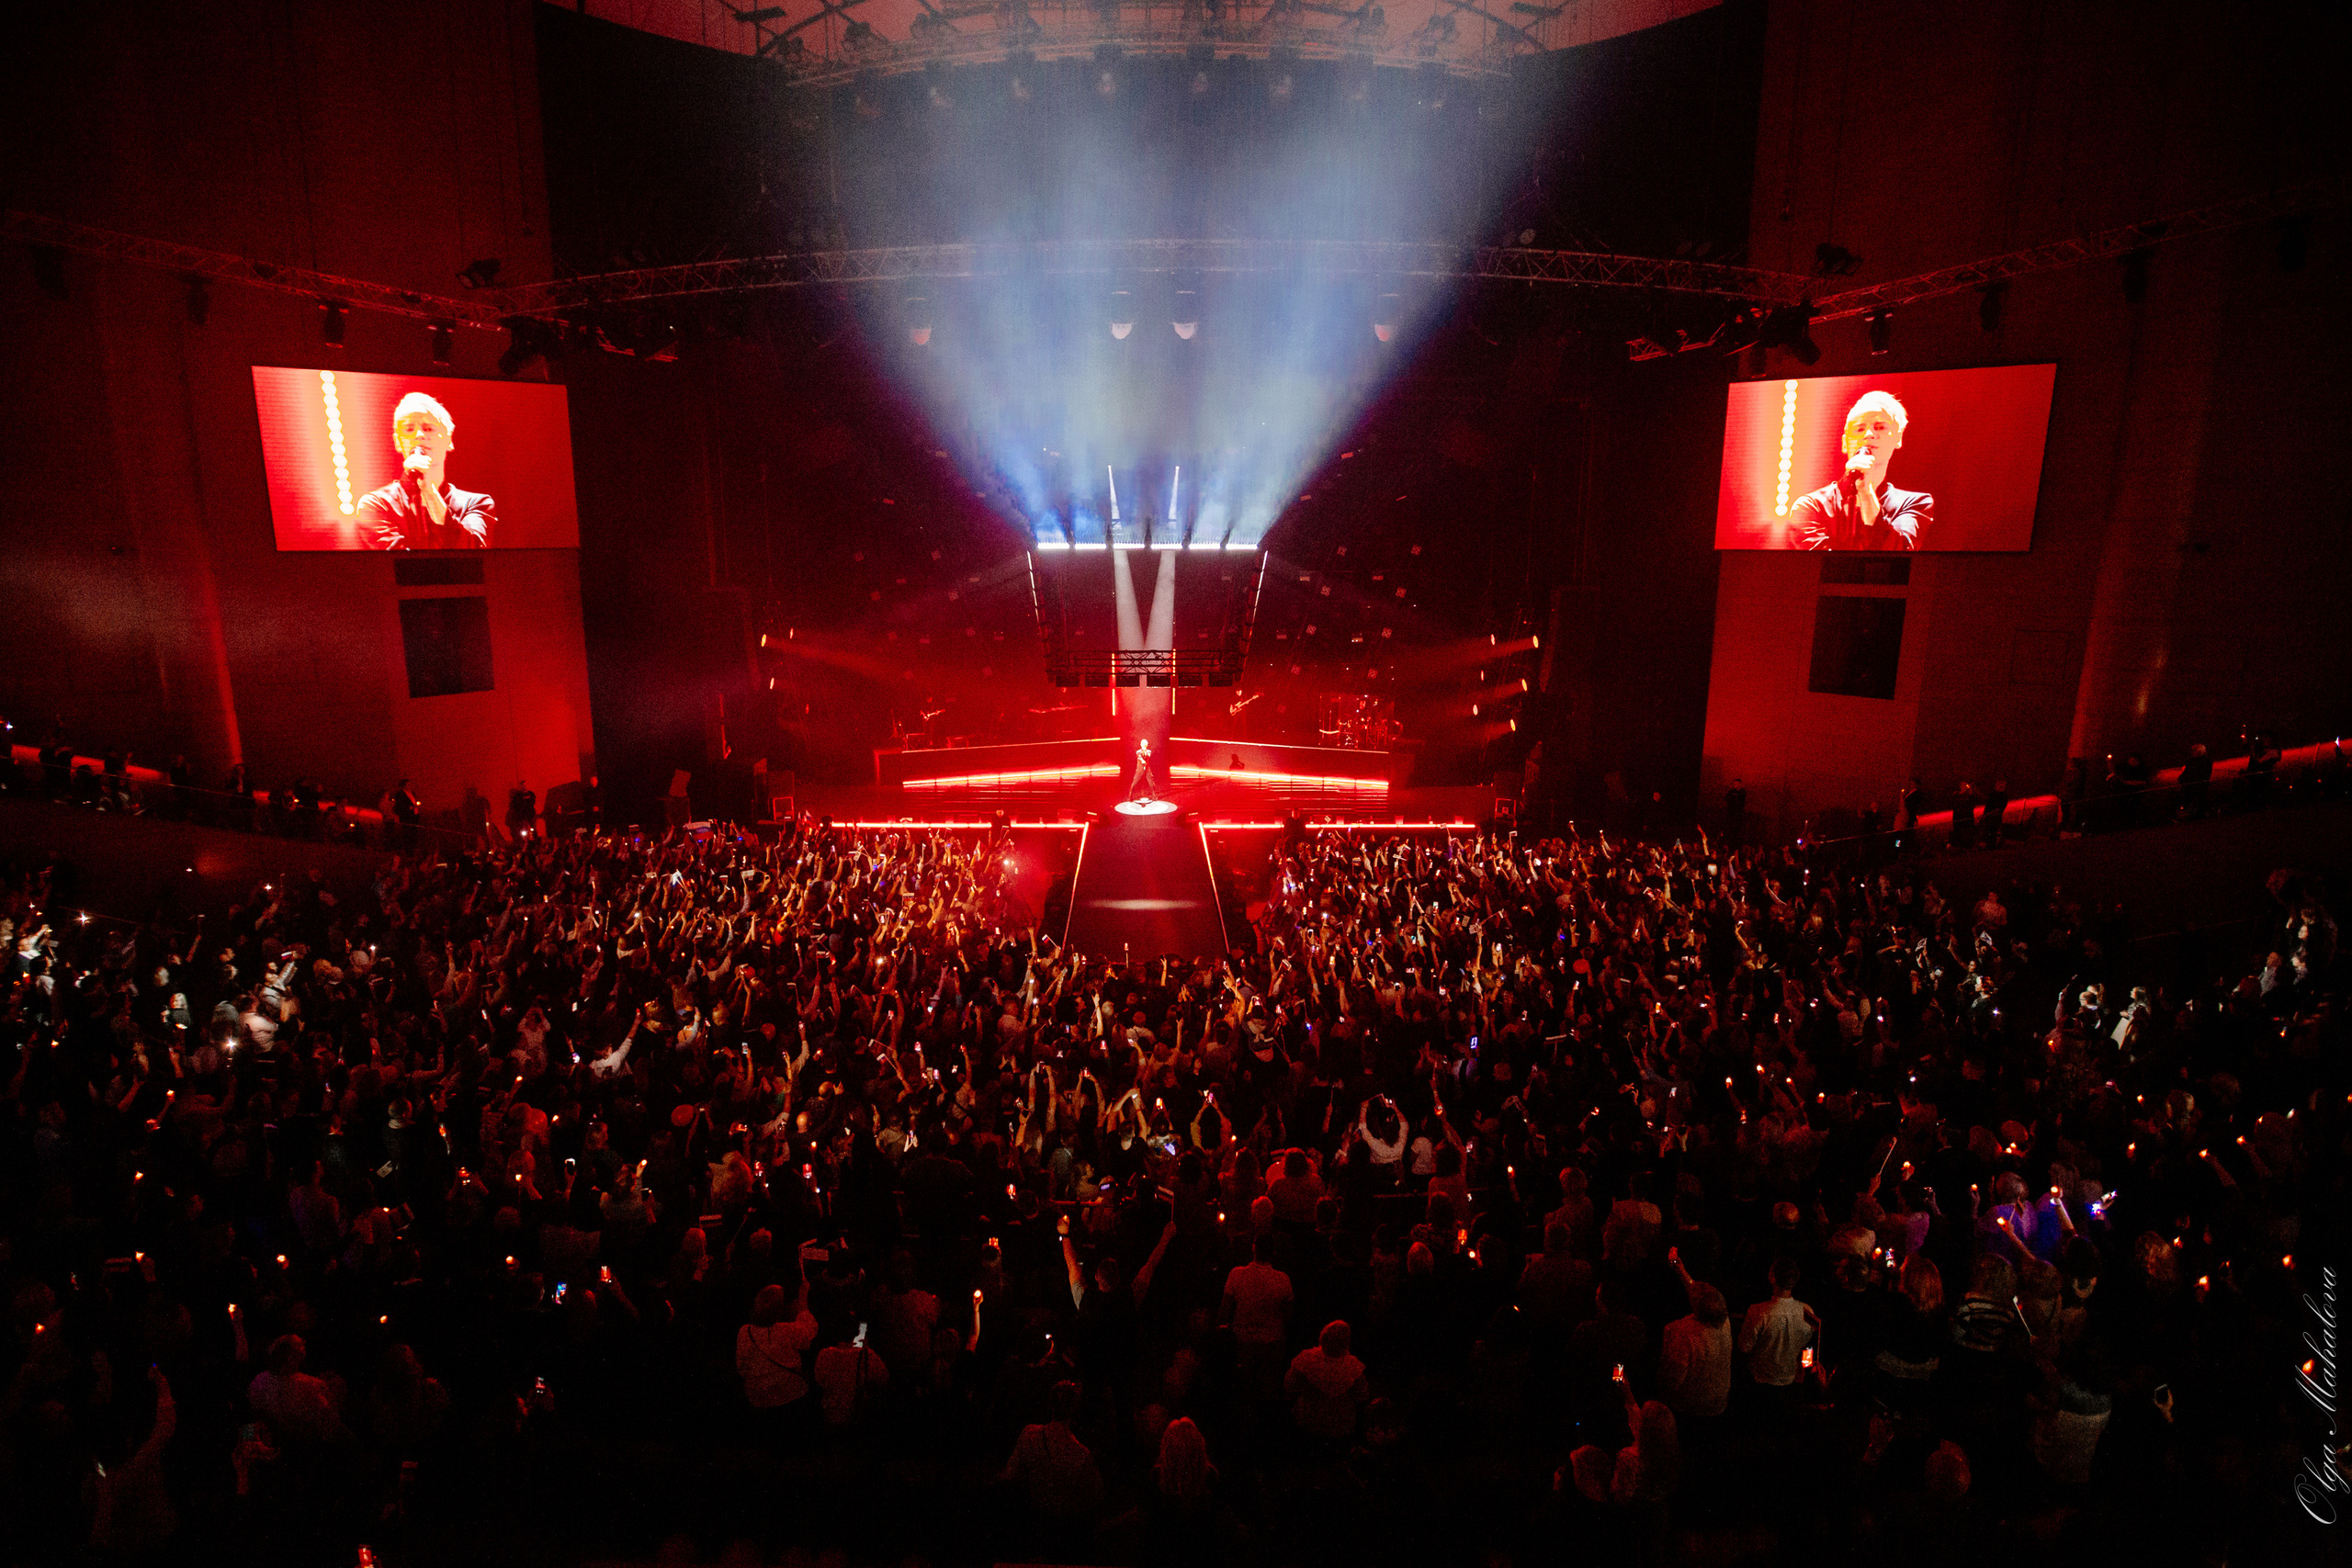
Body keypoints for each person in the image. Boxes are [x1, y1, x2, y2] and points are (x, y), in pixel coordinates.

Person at [1791, 391, 1934, 551]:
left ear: (1898, 438)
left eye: (1880, 427)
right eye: (1859, 429)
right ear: (1845, 443)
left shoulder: (1915, 503)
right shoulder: (1812, 506)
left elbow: (1898, 551)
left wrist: (1866, 493)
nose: (1869, 435)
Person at [359, 391, 496, 549]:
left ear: (449, 439)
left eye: (429, 429)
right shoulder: (376, 504)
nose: (419, 435)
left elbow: (472, 550)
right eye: (409, 429)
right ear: (398, 442)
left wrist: (430, 493)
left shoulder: (476, 503)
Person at [1126, 738, 1157, 805]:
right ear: (1140, 745)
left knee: (1151, 782)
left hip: (1147, 769)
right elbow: (1140, 758)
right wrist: (1143, 761)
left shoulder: (1149, 751)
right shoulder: (1138, 752)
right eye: (1143, 744)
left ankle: (1154, 795)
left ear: (1146, 745)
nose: (1143, 745)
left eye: (1145, 744)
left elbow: (1147, 757)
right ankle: (1130, 796)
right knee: (1134, 783)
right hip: (1140, 770)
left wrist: (1145, 752)